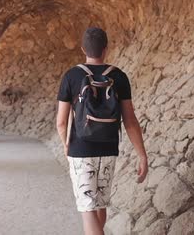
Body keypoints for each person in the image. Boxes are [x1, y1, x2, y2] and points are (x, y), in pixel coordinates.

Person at [56, 27, 148, 235]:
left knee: (88, 210)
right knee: (100, 205)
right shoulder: (119, 77)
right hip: (108, 148)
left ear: (82, 49)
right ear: (106, 49)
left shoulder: (71, 76)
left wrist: (66, 145)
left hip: (81, 150)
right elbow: (130, 120)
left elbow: (61, 122)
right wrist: (142, 155)